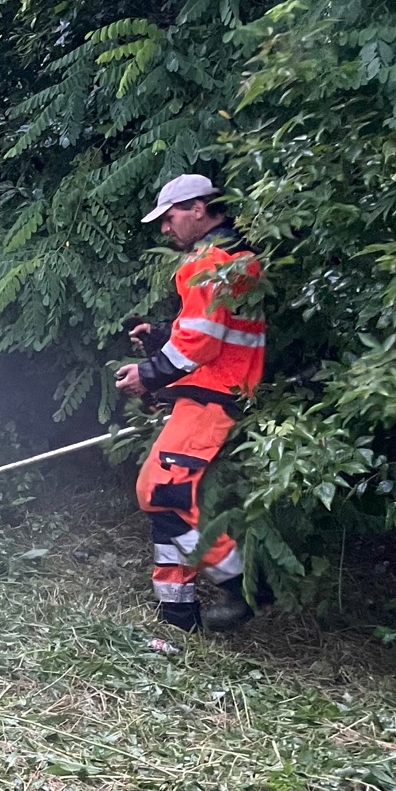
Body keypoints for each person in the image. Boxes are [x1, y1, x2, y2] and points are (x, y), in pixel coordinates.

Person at [114, 173, 265, 632]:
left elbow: (200, 344)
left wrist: (149, 373)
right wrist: (160, 338)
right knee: (171, 499)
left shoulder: (211, 261)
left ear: (199, 208)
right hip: (212, 390)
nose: (165, 228)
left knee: (160, 492)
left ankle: (247, 587)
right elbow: (211, 333)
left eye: (170, 216)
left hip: (214, 395)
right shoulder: (230, 258)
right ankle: (178, 614)